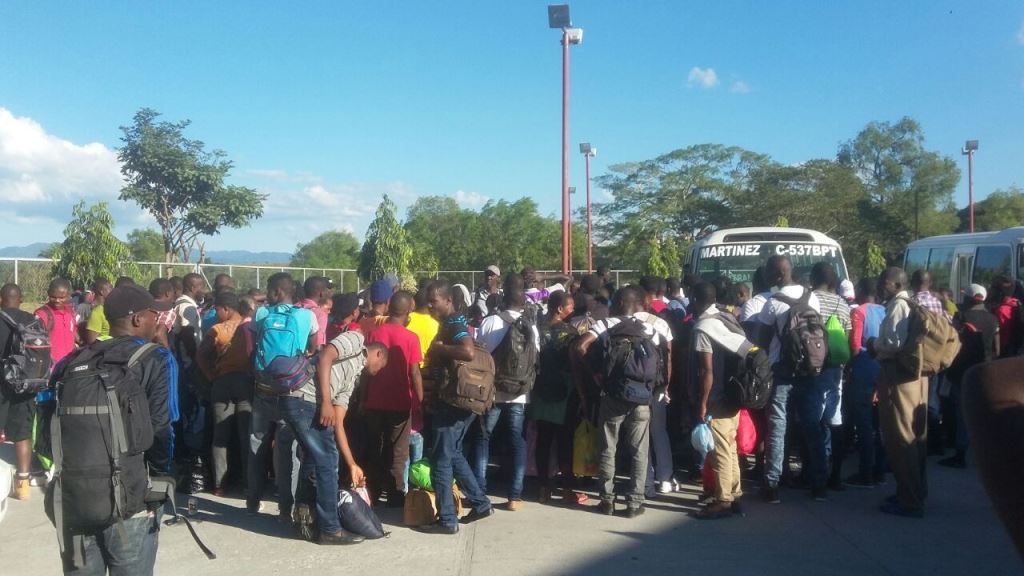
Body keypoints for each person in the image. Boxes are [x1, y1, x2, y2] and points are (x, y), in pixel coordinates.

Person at [44, 284, 177, 575]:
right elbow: (161, 429)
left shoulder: (69, 362)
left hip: (73, 502)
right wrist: (158, 476)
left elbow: (43, 433)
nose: (159, 320)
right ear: (137, 319)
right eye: (155, 314)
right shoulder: (156, 359)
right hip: (131, 503)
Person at [252, 273, 357, 544]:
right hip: (294, 386)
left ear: (275, 292)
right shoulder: (308, 317)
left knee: (260, 444)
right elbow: (315, 350)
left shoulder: (262, 314)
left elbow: (253, 346)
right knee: (306, 452)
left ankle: (265, 505)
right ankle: (306, 517)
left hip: (264, 386)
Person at [574, 287, 660, 518]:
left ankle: (607, 500)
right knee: (639, 450)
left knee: (608, 448)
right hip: (642, 397)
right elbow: (662, 359)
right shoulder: (650, 328)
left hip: (612, 394)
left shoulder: (606, 325)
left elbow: (579, 346)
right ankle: (634, 502)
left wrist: (596, 375)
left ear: (620, 302)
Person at [417, 280, 493, 535]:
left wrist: (440, 349)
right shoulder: (450, 323)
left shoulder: (455, 324)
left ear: (448, 300)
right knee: (454, 452)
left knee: (441, 458)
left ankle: (447, 520)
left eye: (434, 301)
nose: (430, 305)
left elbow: (468, 352)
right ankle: (481, 504)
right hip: (455, 400)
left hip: (451, 403)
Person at [754, 255, 822, 504]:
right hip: (810, 370)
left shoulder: (772, 303)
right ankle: (818, 485)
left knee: (777, 429)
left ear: (777, 275)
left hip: (781, 373)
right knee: (812, 425)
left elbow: (760, 341)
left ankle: (772, 485)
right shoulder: (811, 297)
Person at [473, 275, 540, 511]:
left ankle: (479, 491)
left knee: (483, 437)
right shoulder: (531, 326)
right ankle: (514, 496)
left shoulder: (490, 322)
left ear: (503, 297)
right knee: (517, 440)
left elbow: (479, 354)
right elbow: (535, 359)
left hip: (492, 390)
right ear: (523, 301)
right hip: (520, 393)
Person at [868, 267, 928, 518]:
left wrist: (873, 344)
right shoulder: (912, 304)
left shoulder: (897, 306)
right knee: (917, 439)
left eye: (884, 283)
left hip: (899, 377)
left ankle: (909, 500)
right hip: (916, 377)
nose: (881, 287)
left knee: (901, 439)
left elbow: (892, 344)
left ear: (896, 285)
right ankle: (912, 491)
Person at [690, 282, 751, 519]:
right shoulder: (727, 319)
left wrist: (703, 403)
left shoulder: (704, 328)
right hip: (734, 392)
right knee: (730, 447)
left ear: (695, 299)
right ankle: (734, 495)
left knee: (721, 451)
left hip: (717, 398)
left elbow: (706, 371)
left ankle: (723, 500)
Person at [362, 291, 423, 508]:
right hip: (400, 401)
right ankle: (396, 495)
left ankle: (373, 492)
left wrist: (362, 397)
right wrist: (419, 401)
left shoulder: (373, 334)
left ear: (389, 307)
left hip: (374, 401)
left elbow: (365, 369)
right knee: (398, 451)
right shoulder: (411, 338)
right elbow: (414, 372)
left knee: (374, 447)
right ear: (407, 312)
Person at [316, 331, 389, 492]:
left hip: (316, 407)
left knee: (325, 458)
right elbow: (325, 356)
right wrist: (327, 402)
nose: (378, 372)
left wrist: (352, 464)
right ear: (379, 353)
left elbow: (339, 423)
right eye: (381, 366)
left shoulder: (353, 378)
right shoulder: (356, 339)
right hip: (305, 399)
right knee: (321, 460)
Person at [196, 291, 253, 496]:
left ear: (226, 309)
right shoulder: (250, 326)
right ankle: (249, 483)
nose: (216, 313)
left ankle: (220, 484)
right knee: (246, 435)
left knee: (221, 436)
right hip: (247, 383)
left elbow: (202, 354)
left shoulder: (218, 329)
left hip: (223, 383)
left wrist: (212, 376)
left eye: (218, 309)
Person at [940, 284, 998, 469]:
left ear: (968, 299)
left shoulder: (961, 317)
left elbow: (950, 342)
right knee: (982, 412)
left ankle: (960, 454)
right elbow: (997, 348)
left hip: (962, 372)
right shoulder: (993, 319)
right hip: (985, 370)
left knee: (962, 413)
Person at [531, 290, 579, 504]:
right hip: (564, 392)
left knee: (543, 440)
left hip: (540, 390)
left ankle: (543, 489)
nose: (573, 310)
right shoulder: (570, 333)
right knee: (565, 442)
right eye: (570, 306)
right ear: (560, 309)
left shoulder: (537, 329)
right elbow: (576, 364)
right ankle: (568, 489)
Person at [810, 262, 851, 491]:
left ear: (813, 279)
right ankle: (836, 475)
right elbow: (847, 339)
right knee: (835, 420)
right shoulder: (843, 305)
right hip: (837, 369)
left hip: (815, 367)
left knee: (814, 421)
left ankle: (816, 474)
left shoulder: (810, 300)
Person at [843, 277, 888, 488]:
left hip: (863, 370)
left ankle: (866, 473)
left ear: (860, 290)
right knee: (880, 424)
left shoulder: (858, 312)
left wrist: (848, 365)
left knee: (863, 424)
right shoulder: (885, 311)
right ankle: (880, 471)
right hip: (883, 370)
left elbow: (854, 345)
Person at [0, 283, 39, 500]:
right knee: (22, 433)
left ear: (0, 299)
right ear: (21, 298)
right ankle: (23, 484)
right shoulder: (32, 320)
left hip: (1, 384)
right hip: (26, 384)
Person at [36, 278, 79, 365]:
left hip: (69, 363)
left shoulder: (70, 312)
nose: (57, 300)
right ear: (48, 293)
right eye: (53, 297)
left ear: (69, 295)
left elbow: (73, 334)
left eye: (61, 297)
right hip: (51, 366)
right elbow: (36, 343)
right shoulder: (42, 314)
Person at [989, 275, 1021, 358]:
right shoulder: (1017, 303)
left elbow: (1001, 337)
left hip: (1006, 353)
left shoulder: (1001, 310)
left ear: (999, 292)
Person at [299, 276, 333, 349]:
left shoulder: (294, 307)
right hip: (307, 356)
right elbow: (318, 344)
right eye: (325, 291)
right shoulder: (320, 314)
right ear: (321, 293)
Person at [148, 278, 177, 349]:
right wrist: (168, 354)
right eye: (173, 292)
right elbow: (159, 334)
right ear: (167, 293)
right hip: (157, 353)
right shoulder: (168, 311)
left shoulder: (144, 307)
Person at [83, 279, 113, 344]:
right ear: (102, 292)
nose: (113, 291)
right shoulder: (96, 313)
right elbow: (91, 342)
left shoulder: (109, 308)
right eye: (110, 289)